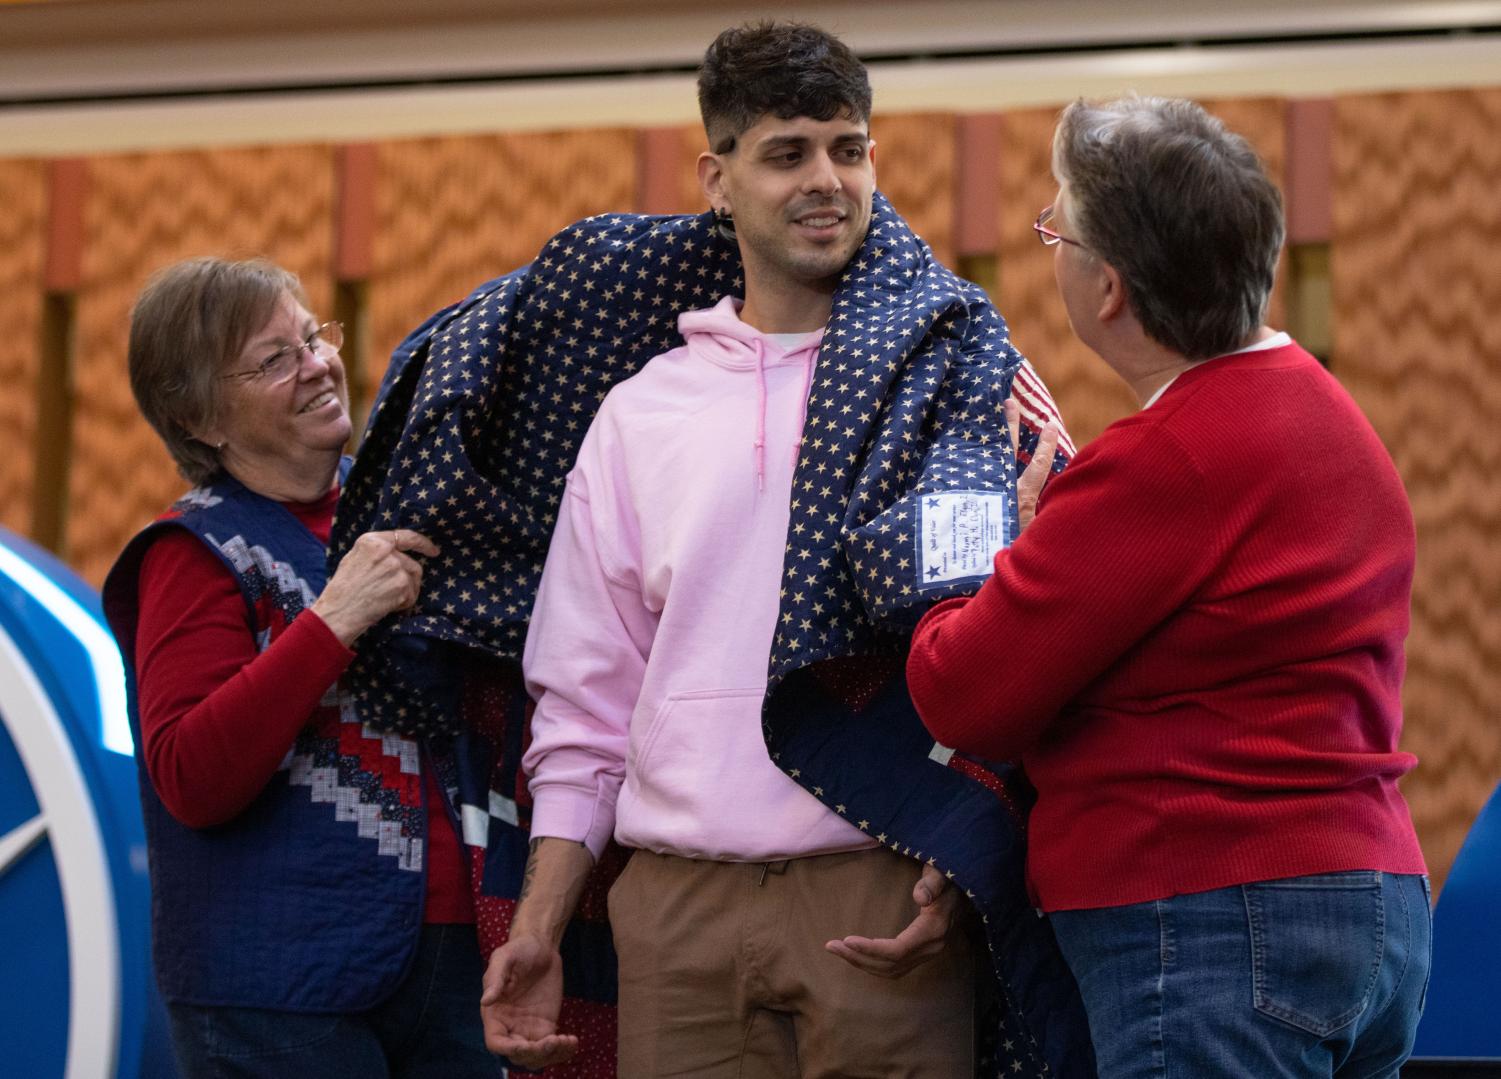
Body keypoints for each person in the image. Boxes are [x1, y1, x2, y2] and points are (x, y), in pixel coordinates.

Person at [475, 21, 1079, 1078]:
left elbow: (1019, 640)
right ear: (717, 177)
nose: (826, 179)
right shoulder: (637, 415)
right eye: (787, 151)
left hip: (881, 888)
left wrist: (964, 839)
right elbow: (582, 701)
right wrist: (538, 922)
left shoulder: (944, 381)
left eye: (849, 148)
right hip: (673, 906)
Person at [907, 96, 1431, 1078]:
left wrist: (988, 559)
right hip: (1368, 904)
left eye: (1056, 229)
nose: (1050, 247)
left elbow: (964, 692)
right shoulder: (1325, 415)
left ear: (1106, 286)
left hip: (1210, 919)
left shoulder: (1166, 460)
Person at [101, 257, 502, 1078]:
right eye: (273, 359)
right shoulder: (190, 552)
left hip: (453, 956)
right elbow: (191, 775)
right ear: (199, 416)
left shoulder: (398, 511)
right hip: (274, 987)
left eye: (312, 336)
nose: (318, 364)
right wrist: (334, 619)